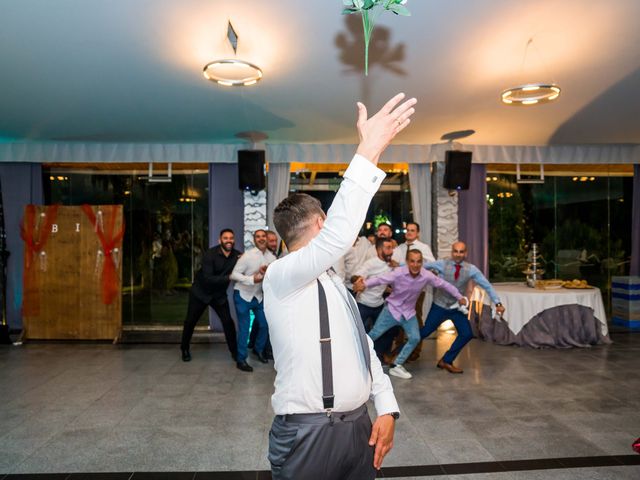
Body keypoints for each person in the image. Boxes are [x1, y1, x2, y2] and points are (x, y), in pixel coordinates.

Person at [263, 92, 417, 480]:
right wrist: (369, 149)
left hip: (358, 429)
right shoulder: (282, 276)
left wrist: (385, 406)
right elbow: (338, 236)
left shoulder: (332, 281)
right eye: (329, 221)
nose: (335, 227)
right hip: (307, 435)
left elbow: (362, 344)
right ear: (319, 224)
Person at [354, 249, 465, 379]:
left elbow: (444, 284)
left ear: (422, 263)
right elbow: (380, 279)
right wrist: (364, 284)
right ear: (407, 262)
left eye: (418, 262)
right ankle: (356, 361)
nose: (415, 265)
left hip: (408, 313)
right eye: (412, 261)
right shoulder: (398, 273)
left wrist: (459, 296)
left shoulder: (426, 275)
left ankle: (396, 365)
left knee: (415, 338)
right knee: (373, 335)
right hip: (391, 310)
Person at [421, 241, 505, 374]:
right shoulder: (442, 264)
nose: (458, 254)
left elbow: (487, 285)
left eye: (461, 252)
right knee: (424, 333)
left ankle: (446, 360)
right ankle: (397, 355)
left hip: (456, 308)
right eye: (455, 251)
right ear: (452, 252)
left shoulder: (471, 269)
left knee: (466, 334)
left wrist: (498, 303)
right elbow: (420, 266)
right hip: (439, 305)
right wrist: (399, 267)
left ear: (465, 253)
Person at [180, 228, 241, 362]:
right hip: (200, 292)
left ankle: (235, 352)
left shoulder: (237, 256)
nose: (229, 240)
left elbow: (247, 267)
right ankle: (184, 348)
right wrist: (229, 277)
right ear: (220, 240)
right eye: (225, 238)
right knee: (190, 321)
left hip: (218, 295)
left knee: (228, 323)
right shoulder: (210, 254)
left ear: (234, 240)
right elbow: (208, 278)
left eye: (231, 238)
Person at [230, 229, 277, 371]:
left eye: (264, 236)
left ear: (267, 239)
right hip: (242, 295)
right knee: (244, 329)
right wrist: (252, 279)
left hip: (258, 297)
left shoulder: (272, 259)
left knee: (264, 324)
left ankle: (258, 349)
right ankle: (241, 359)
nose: (261, 239)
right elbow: (233, 275)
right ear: (254, 240)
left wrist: (266, 273)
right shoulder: (247, 256)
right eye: (258, 237)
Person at [352, 237, 396, 331]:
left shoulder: (392, 265)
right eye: (388, 248)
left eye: (392, 248)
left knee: (382, 333)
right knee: (359, 333)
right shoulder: (370, 263)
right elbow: (355, 276)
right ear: (379, 250)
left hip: (379, 305)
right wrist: (358, 280)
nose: (391, 251)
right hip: (363, 305)